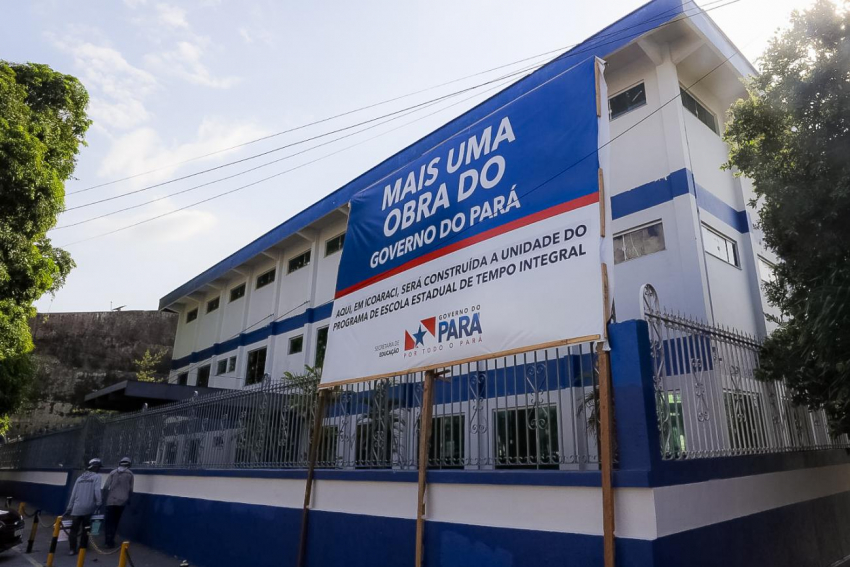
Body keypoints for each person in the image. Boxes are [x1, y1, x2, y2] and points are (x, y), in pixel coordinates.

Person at [65, 458, 103, 555]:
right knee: (86, 528)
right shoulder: (97, 477)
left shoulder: (79, 478)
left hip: (76, 508)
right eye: (98, 467)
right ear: (96, 467)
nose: (99, 469)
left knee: (74, 530)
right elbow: (97, 491)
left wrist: (69, 508)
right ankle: (83, 547)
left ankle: (72, 549)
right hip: (88, 508)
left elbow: (73, 494)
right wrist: (99, 503)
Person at [102, 456, 134, 548]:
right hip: (122, 502)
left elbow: (106, 486)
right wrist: (129, 500)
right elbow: (131, 489)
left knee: (109, 522)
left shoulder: (113, 472)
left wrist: (104, 497)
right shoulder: (130, 474)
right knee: (115, 521)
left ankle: (107, 541)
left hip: (111, 501)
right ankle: (111, 540)